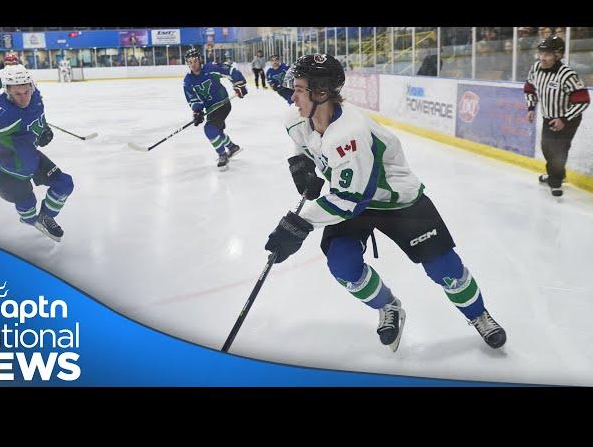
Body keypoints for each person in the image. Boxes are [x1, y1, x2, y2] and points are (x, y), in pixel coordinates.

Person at [264, 54, 506, 352]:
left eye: (300, 89)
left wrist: (298, 224)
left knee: (444, 267)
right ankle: (388, 306)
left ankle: (478, 314)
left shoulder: (349, 132)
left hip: (395, 200)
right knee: (342, 264)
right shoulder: (295, 118)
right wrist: (301, 163)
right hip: (349, 195)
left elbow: (351, 199)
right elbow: (303, 145)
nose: (293, 95)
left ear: (321, 92)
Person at [0, 65, 74, 242]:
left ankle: (46, 216)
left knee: (64, 184)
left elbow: (37, 113)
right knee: (28, 205)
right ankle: (31, 219)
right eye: (17, 94)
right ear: (8, 91)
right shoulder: (3, 114)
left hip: (29, 155)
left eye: (26, 91)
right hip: (2, 166)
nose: (24, 97)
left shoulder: (35, 95)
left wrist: (43, 128)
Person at [524, 36, 590, 197]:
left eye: (547, 54)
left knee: (558, 150)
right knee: (547, 147)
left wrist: (564, 119)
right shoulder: (536, 68)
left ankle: (555, 181)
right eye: (541, 53)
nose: (542, 58)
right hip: (549, 117)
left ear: (558, 55)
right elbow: (529, 88)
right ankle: (557, 174)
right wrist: (531, 107)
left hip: (568, 119)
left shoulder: (567, 74)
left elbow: (583, 100)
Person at [182, 48, 247, 170]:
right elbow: (192, 98)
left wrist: (239, 84)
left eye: (195, 60)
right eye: (189, 62)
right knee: (217, 131)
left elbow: (230, 70)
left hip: (223, 103)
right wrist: (197, 111)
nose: (193, 64)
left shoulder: (210, 68)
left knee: (209, 129)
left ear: (200, 60)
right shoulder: (188, 80)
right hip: (211, 108)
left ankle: (222, 154)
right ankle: (232, 147)